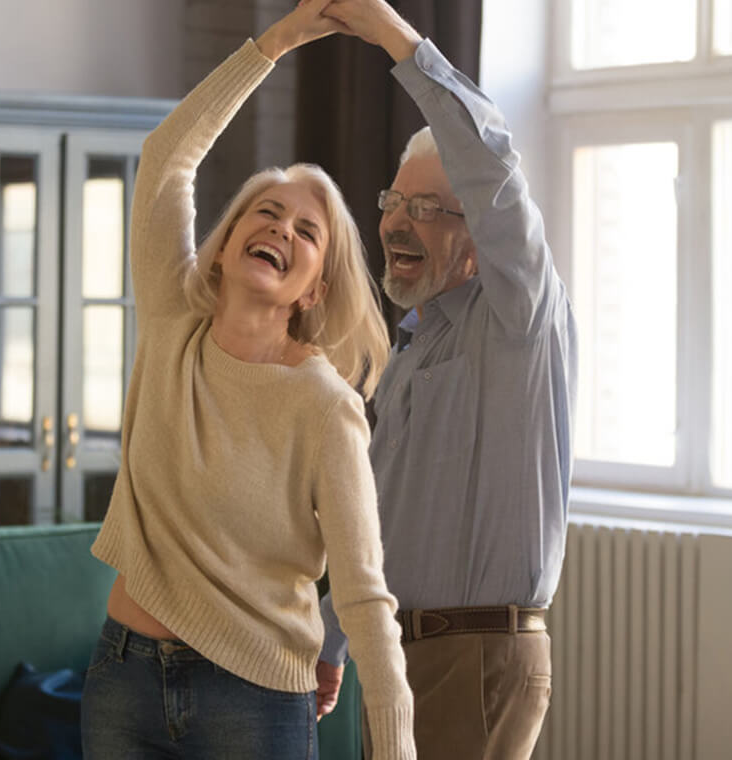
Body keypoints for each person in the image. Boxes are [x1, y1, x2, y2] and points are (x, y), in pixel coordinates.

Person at [80, 2, 416, 759]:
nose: (281, 231)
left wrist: (395, 746)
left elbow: (363, 593)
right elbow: (167, 157)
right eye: (266, 214)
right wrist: (280, 40)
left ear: (313, 289)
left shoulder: (325, 407)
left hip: (255, 699)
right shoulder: (173, 325)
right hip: (123, 675)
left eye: (306, 233)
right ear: (224, 246)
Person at [316, 2, 578, 758]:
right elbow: (388, 520)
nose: (398, 223)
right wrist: (334, 635)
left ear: (480, 236)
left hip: (474, 656)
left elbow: (491, 167)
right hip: (400, 658)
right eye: (394, 203)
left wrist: (396, 38)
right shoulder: (413, 347)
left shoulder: (519, 318)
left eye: (427, 209)